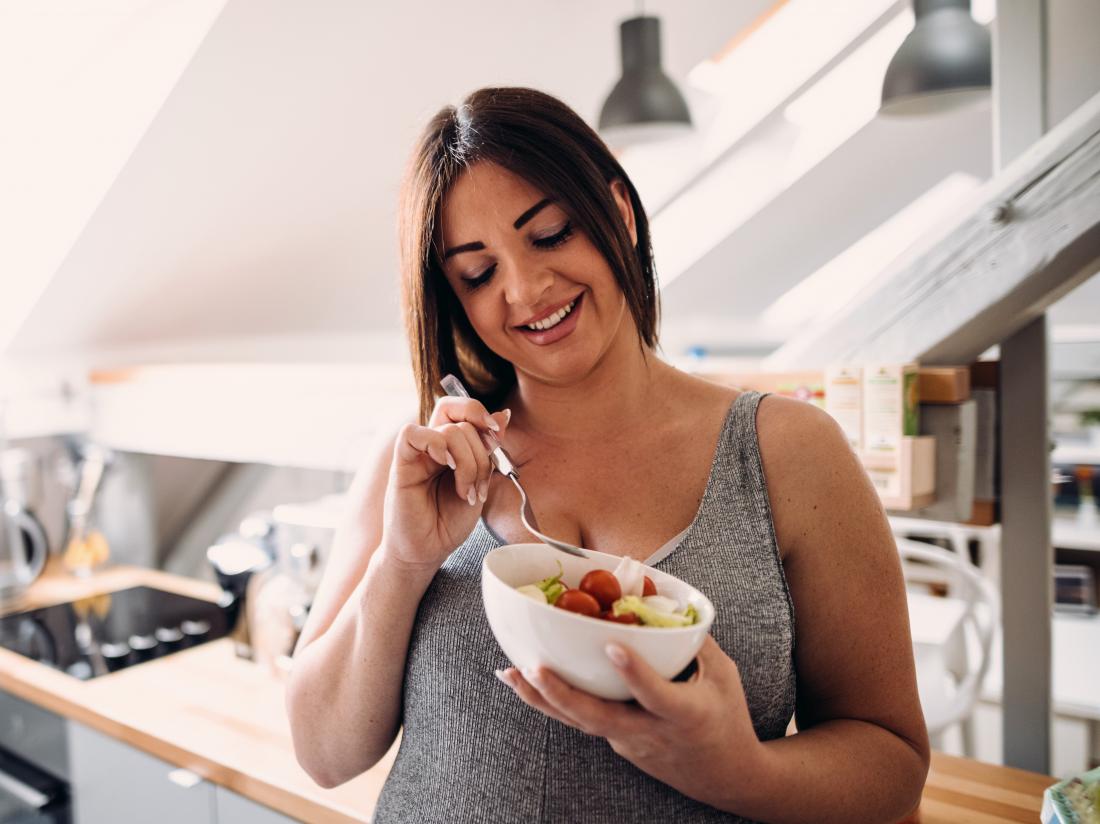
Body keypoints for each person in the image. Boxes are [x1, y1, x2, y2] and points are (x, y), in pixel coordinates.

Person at [286, 87, 929, 823]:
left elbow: (892, 768)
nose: (525, 289)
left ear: (617, 214)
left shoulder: (787, 453)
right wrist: (401, 564)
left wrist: (737, 771)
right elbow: (322, 753)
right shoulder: (422, 462)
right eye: (478, 272)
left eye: (551, 234)